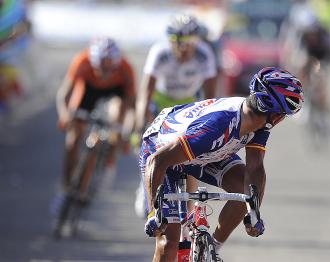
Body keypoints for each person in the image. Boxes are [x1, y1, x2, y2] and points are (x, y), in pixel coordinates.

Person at [140, 67, 304, 261]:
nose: (282, 119)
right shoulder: (217, 126)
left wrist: (254, 213)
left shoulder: (260, 121)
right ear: (275, 116)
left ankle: (214, 249)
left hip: (205, 151)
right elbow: (157, 160)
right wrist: (154, 212)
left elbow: (255, 167)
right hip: (163, 153)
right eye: (283, 115)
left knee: (244, 190)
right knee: (168, 244)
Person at [133, 13, 218, 218]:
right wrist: (139, 124)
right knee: (151, 147)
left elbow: (211, 97)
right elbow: (145, 93)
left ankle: (187, 217)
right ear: (170, 41)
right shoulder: (160, 52)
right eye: (177, 41)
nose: (184, 47)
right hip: (161, 101)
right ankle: (145, 184)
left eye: (190, 41)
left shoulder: (204, 54)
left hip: (186, 103)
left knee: (191, 156)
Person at [55, 37, 136, 202]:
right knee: (73, 139)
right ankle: (67, 188)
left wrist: (126, 133)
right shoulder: (82, 61)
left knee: (117, 125)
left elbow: (131, 107)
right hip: (88, 91)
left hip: (116, 93)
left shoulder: (126, 68)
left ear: (116, 63)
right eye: (100, 68)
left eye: (109, 68)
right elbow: (64, 95)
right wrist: (65, 115)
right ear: (93, 62)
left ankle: (109, 162)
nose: (104, 73)